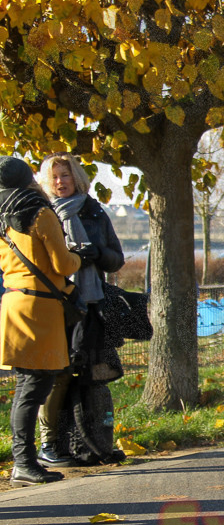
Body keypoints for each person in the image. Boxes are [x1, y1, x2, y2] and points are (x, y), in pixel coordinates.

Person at [35, 152, 126, 466]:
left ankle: (90, 443)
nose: (60, 182)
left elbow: (116, 257)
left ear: (77, 177)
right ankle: (50, 444)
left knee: (89, 374)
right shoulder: (39, 212)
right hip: (54, 304)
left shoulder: (94, 211)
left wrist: (96, 252)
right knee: (56, 374)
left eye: (66, 175)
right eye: (55, 177)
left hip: (89, 304)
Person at [0, 155, 83, 486]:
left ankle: (25, 460)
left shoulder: (3, 215)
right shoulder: (38, 211)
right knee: (34, 387)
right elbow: (62, 264)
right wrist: (80, 255)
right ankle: (23, 462)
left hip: (14, 303)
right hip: (41, 309)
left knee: (27, 386)